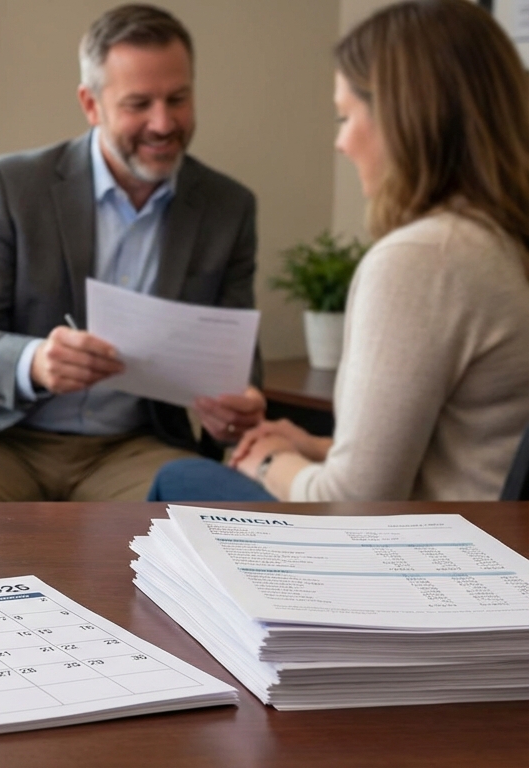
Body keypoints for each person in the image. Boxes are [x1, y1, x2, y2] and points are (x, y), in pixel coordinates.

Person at [150, 0, 529, 503]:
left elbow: (353, 503)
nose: (341, 143)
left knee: (180, 478)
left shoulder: (423, 259)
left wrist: (266, 460)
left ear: (403, 121)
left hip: (432, 554)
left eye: (345, 117)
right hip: (498, 545)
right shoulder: (500, 238)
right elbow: (465, 448)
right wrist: (313, 445)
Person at [0, 4, 265, 502]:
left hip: (134, 446)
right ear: (91, 104)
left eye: (178, 98)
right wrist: (36, 361)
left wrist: (238, 406)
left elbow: (238, 362)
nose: (163, 122)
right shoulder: (11, 186)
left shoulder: (227, 207)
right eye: (139, 104)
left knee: (219, 530)